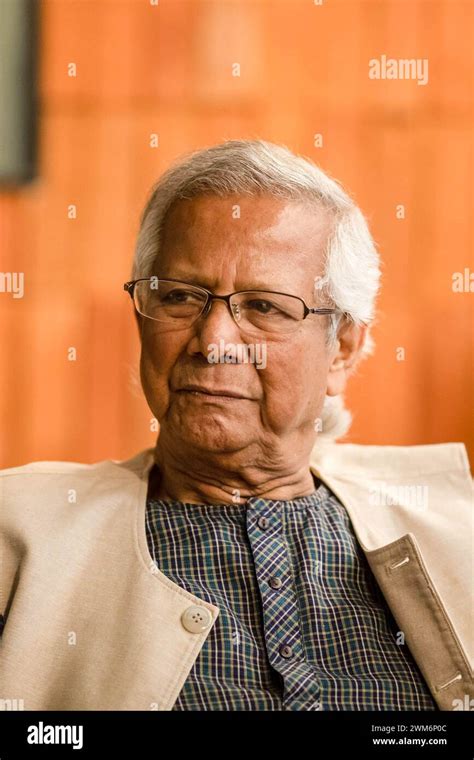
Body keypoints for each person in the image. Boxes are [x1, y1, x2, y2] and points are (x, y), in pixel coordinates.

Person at [0, 140, 472, 711]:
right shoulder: (21, 538)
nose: (213, 343)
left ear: (343, 348)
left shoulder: (455, 528)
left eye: (265, 306)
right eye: (179, 297)